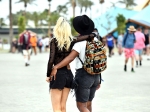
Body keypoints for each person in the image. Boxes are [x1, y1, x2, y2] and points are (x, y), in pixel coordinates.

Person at [49, 15, 101, 112]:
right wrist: (99, 79)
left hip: (84, 75)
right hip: (96, 75)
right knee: (88, 103)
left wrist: (56, 67)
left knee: (81, 106)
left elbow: (70, 58)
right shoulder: (96, 40)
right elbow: (98, 59)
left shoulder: (78, 43)